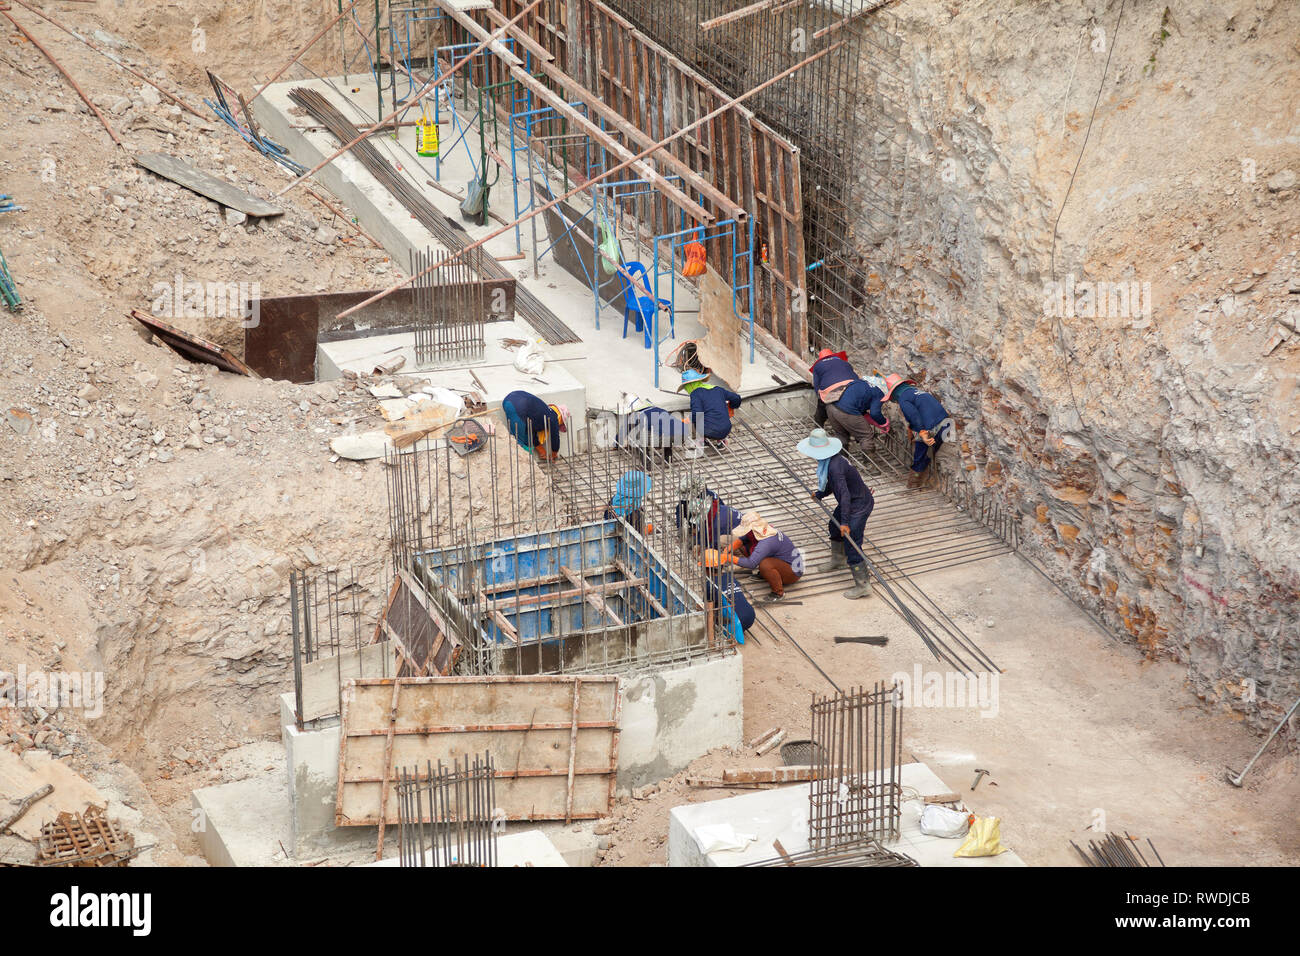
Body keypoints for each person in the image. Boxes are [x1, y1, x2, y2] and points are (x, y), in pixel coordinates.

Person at [797, 427, 875, 600]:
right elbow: (834, 486)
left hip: (859, 504)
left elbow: (844, 495)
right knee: (834, 525)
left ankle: (863, 585)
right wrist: (820, 494)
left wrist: (845, 522)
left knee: (852, 541)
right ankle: (838, 559)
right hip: (853, 500)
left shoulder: (834, 468)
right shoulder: (831, 461)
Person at [882, 373, 954, 488]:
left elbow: (914, 416)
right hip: (946, 423)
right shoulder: (918, 392)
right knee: (926, 450)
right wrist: (911, 429)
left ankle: (914, 484)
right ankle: (927, 465)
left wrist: (923, 434)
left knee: (919, 454)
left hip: (932, 426)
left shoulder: (903, 399)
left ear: (894, 393)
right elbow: (923, 412)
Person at [728, 510, 803, 603]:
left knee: (765, 564)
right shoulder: (762, 530)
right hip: (782, 562)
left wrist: (727, 558)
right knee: (744, 546)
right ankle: (766, 574)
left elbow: (751, 564)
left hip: (793, 572)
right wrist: (729, 548)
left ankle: (778, 592)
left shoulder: (767, 542)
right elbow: (743, 539)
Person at [675, 473, 742, 550]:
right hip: (707, 520)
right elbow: (680, 509)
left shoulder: (711, 498)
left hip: (726, 528)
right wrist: (679, 526)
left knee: (716, 543)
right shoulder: (689, 498)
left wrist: (697, 541)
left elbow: (711, 532)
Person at [616, 394, 690, 462]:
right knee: (664, 432)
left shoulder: (637, 414)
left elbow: (624, 430)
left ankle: (646, 464)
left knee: (638, 437)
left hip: (667, 437)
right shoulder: (657, 409)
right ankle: (668, 458)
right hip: (683, 433)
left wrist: (616, 444)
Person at [678, 368, 741, 443]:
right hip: (726, 429)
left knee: (698, 420)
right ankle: (720, 441)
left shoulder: (695, 394)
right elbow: (737, 398)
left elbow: (697, 414)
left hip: (708, 431)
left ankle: (704, 439)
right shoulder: (718, 389)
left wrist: (687, 420)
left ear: (690, 385)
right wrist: (731, 406)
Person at [502, 390, 567, 461]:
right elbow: (555, 437)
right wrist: (554, 454)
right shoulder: (554, 418)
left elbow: (531, 431)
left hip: (509, 400)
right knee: (519, 442)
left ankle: (525, 464)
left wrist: (541, 450)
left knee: (525, 438)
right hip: (518, 406)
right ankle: (524, 466)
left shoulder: (543, 412)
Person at [809, 347, 859, 427]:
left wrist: (820, 398)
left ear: (820, 359)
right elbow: (855, 376)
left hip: (831, 390)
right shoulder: (845, 363)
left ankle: (818, 426)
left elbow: (816, 385)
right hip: (853, 387)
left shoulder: (818, 365)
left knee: (821, 409)